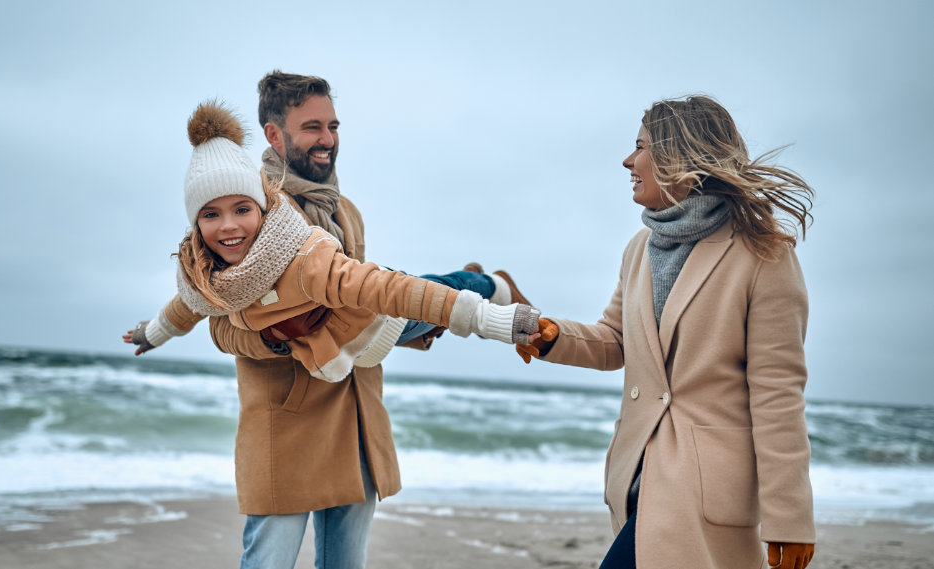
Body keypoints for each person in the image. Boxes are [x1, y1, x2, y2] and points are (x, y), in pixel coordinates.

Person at [124, 71, 531, 569]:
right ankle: (484, 287)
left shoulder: (345, 211)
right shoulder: (251, 213)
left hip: (355, 403)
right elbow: (215, 319)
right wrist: (269, 337)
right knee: (268, 560)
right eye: (311, 127)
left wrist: (471, 319)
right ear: (274, 135)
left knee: (345, 564)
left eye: (332, 125)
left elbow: (367, 297)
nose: (327, 139)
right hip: (288, 422)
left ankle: (485, 287)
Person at [516, 95, 816, 569]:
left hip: (705, 492)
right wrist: (553, 335)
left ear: (682, 157)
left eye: (641, 147)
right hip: (636, 476)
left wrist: (790, 516)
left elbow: (778, 394)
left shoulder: (764, 255)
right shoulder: (640, 248)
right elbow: (616, 340)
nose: (628, 160)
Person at [126, 100, 539, 382]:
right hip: (346, 350)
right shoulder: (210, 277)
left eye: (242, 209)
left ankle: (494, 284)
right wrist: (153, 334)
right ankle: (462, 296)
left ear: (262, 208)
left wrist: (497, 321)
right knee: (432, 319)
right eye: (211, 215)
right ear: (196, 225)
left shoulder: (305, 260)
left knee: (444, 295)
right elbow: (187, 308)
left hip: (383, 319)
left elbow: (392, 291)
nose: (229, 226)